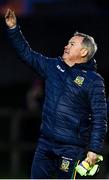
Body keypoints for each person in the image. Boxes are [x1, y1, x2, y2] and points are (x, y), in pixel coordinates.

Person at [4, 9, 107, 179]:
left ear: (83, 52)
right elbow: (27, 54)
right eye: (68, 43)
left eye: (72, 44)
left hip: (71, 149)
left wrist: (94, 149)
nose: (66, 46)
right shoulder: (53, 67)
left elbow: (99, 118)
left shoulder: (94, 81)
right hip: (45, 144)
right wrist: (13, 29)